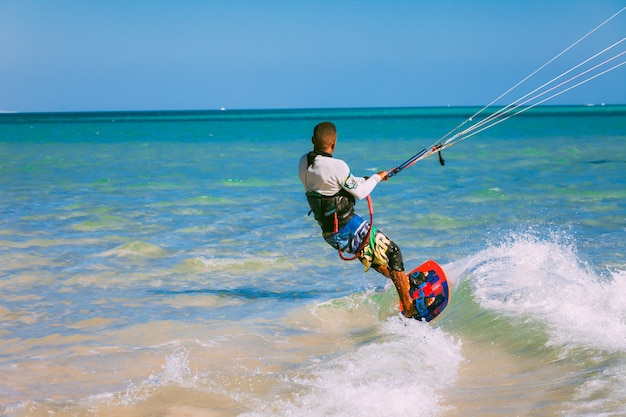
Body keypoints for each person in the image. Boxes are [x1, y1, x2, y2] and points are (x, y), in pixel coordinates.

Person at [298, 121, 418, 318]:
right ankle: (408, 306)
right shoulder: (337, 166)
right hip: (348, 228)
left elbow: (333, 185)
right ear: (334, 143)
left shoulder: (304, 162)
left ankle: (406, 286)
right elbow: (360, 193)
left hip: (331, 233)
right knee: (393, 253)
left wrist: (365, 179)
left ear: (312, 141)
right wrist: (377, 177)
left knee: (378, 260)